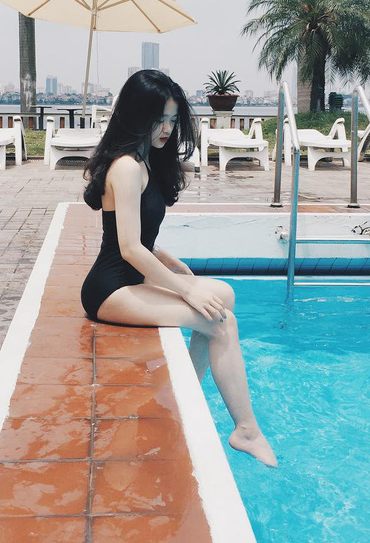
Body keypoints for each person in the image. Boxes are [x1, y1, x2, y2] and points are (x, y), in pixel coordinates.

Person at [81, 70, 277, 467]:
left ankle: (184, 392)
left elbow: (139, 236)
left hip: (128, 280)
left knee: (224, 295)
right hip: (109, 289)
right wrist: (185, 288)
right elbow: (128, 248)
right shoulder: (126, 167)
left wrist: (173, 264)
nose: (168, 129)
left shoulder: (145, 160)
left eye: (173, 120)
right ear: (137, 116)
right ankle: (246, 430)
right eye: (160, 119)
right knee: (220, 320)